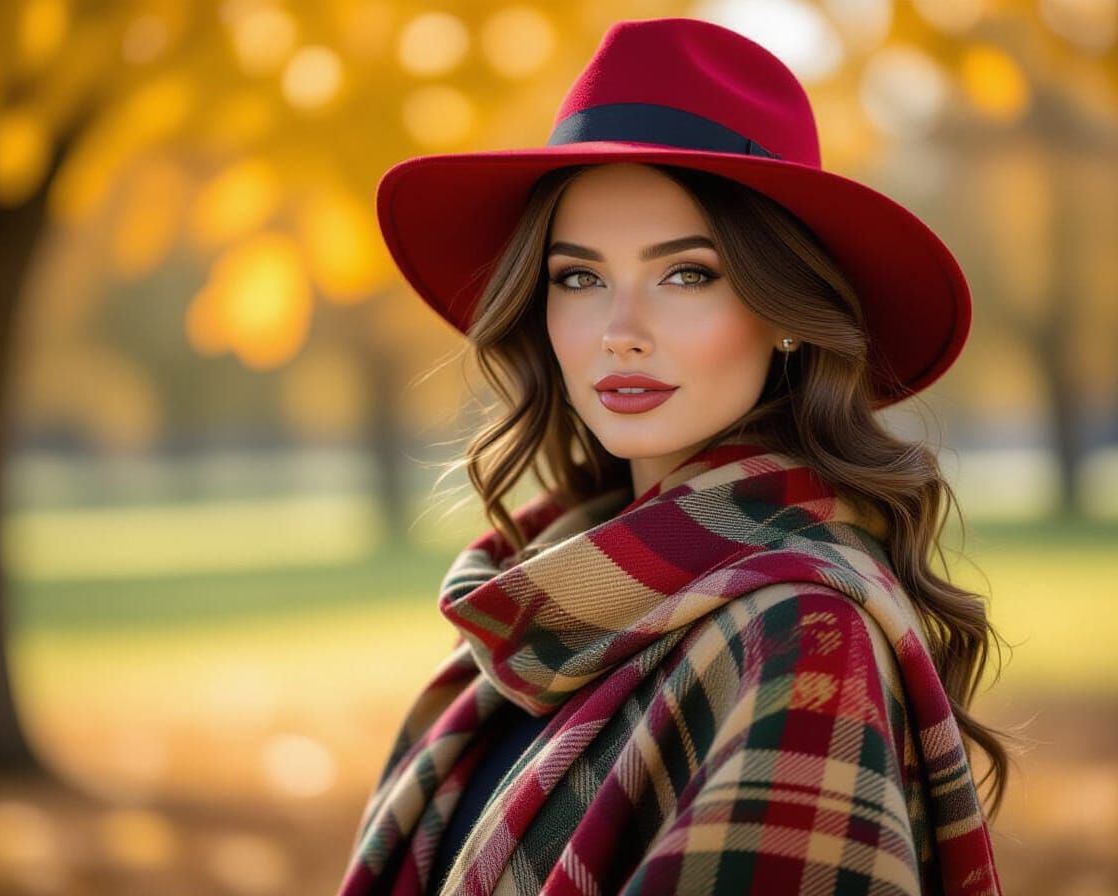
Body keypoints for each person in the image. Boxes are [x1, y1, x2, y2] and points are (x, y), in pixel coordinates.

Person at [339, 17, 1012, 896]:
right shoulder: (544, 601)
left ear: (784, 313)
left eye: (687, 274)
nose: (620, 334)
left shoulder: (804, 639)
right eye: (578, 277)